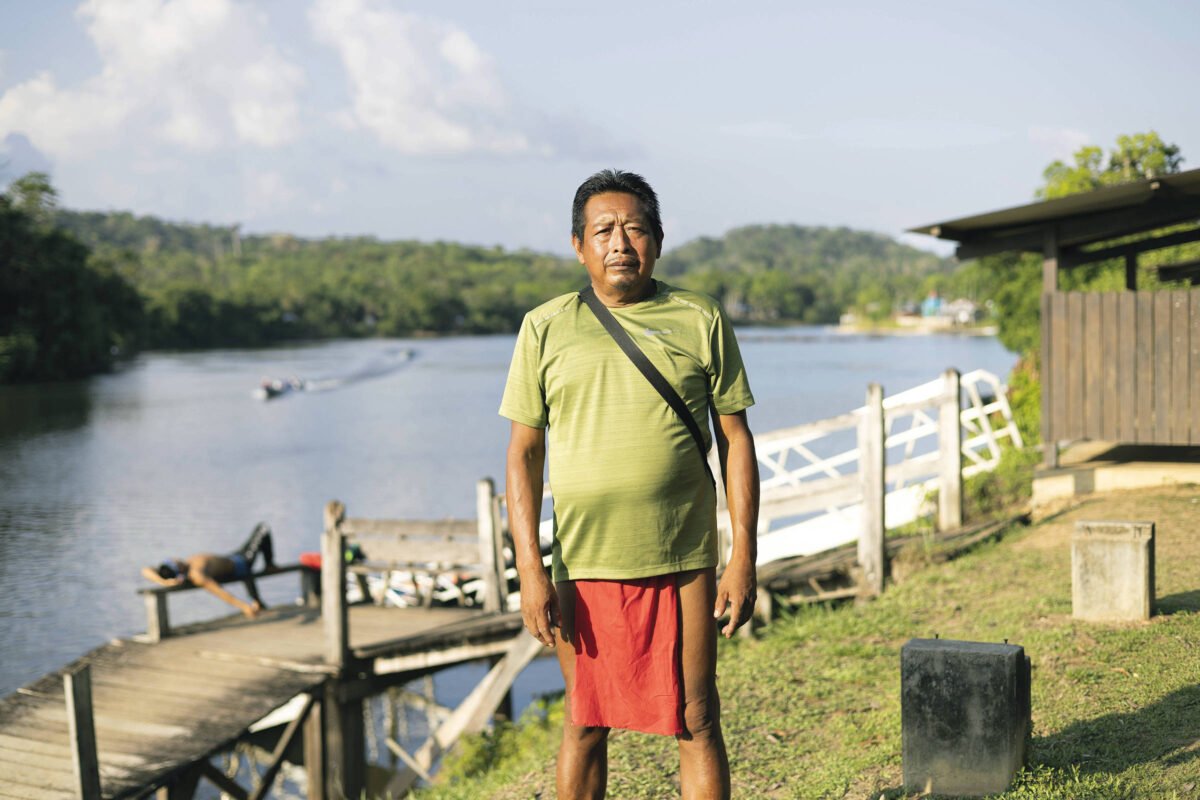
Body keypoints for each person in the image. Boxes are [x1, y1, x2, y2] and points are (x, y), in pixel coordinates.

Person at [500, 169, 760, 799]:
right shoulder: (545, 327)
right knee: (586, 724)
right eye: (604, 230)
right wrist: (530, 570)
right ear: (578, 244)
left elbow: (737, 440)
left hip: (683, 555)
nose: (621, 243)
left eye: (635, 228)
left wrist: (744, 556)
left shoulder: (698, 317)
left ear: (659, 240)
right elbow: (523, 456)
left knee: (697, 720)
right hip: (583, 561)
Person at [141, 522, 277, 619]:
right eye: (173, 561)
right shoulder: (197, 574)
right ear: (178, 569)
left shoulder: (189, 565)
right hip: (242, 563)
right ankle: (269, 565)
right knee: (263, 528)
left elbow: (145, 570)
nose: (175, 558)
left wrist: (164, 582)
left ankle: (258, 599)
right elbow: (219, 592)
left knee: (260, 532)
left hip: (234, 556)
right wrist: (244, 607)